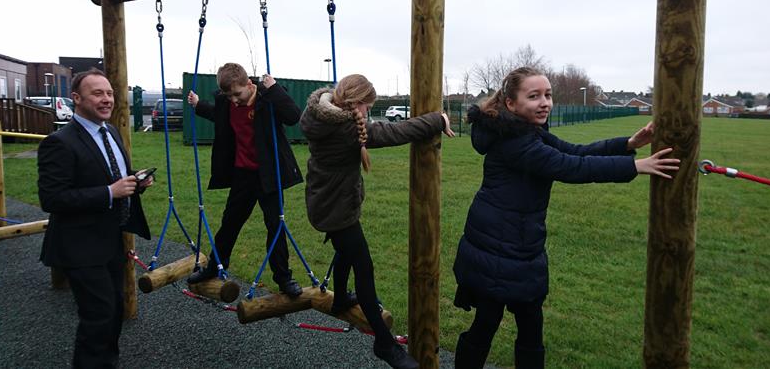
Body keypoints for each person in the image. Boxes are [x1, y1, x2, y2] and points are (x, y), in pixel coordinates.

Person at [451, 67, 680, 369]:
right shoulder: (516, 143)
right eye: (533, 96)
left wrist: (627, 144)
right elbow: (573, 167)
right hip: (497, 248)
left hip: (520, 246)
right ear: (510, 103)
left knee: (528, 326)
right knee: (489, 323)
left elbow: (576, 150)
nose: (545, 102)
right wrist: (635, 167)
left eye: (548, 95)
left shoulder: (527, 132)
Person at [300, 74, 455, 369]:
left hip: (326, 201)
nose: (368, 113)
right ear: (356, 103)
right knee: (364, 266)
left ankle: (341, 299)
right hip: (335, 210)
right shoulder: (344, 128)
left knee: (346, 250)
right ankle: (384, 343)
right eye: (368, 107)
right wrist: (437, 119)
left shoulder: (316, 113)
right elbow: (395, 132)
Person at [38, 68, 154, 368]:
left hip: (111, 240)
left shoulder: (111, 132)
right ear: (76, 99)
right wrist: (109, 192)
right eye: (97, 93)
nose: (107, 100)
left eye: (110, 93)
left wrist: (133, 184)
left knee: (113, 312)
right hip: (80, 245)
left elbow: (114, 179)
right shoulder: (60, 142)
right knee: (98, 316)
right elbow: (51, 199)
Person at [186, 63, 304, 297]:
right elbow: (215, 113)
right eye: (229, 96)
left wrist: (274, 88)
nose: (234, 100)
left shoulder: (267, 100)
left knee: (275, 225)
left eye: (237, 94)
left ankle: (283, 278)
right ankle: (215, 266)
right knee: (230, 222)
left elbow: (293, 116)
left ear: (250, 84)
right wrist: (198, 104)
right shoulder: (227, 103)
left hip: (268, 175)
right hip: (243, 174)